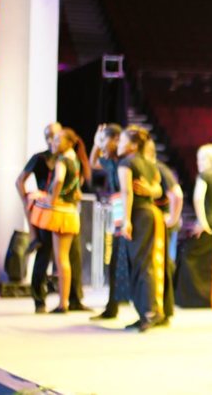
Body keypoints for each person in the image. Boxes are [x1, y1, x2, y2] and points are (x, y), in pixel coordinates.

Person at [17, 122, 87, 313]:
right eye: (50, 137)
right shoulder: (51, 158)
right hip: (63, 212)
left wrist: (51, 199)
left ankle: (69, 300)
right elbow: (20, 181)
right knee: (50, 256)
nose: (52, 141)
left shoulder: (63, 160)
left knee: (65, 257)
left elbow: (59, 181)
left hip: (57, 212)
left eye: (56, 137)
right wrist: (29, 203)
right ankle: (46, 300)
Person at [117, 125, 164, 332]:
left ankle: (148, 312)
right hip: (149, 213)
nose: (119, 143)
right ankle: (146, 311)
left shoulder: (127, 162)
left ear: (133, 145)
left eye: (122, 140)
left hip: (137, 215)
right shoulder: (149, 163)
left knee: (140, 265)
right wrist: (151, 190)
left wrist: (126, 219)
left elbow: (127, 192)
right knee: (143, 264)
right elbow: (158, 188)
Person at [175, 144, 212, 309]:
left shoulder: (204, 176)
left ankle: (193, 299)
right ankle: (209, 298)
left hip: (209, 223)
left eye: (201, 158)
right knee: (211, 263)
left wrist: (202, 222)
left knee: (189, 258)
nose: (198, 162)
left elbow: (198, 198)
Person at [88, 123, 128, 321]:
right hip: (119, 213)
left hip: (130, 215)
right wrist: (96, 143)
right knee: (113, 262)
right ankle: (112, 308)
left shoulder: (125, 161)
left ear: (116, 140)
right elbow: (93, 162)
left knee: (128, 263)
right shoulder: (111, 161)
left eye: (104, 140)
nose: (102, 144)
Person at [145, 138, 183, 325]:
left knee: (164, 265)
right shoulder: (156, 168)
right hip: (159, 223)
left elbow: (177, 194)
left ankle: (164, 310)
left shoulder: (159, 169)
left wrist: (172, 218)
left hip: (163, 225)